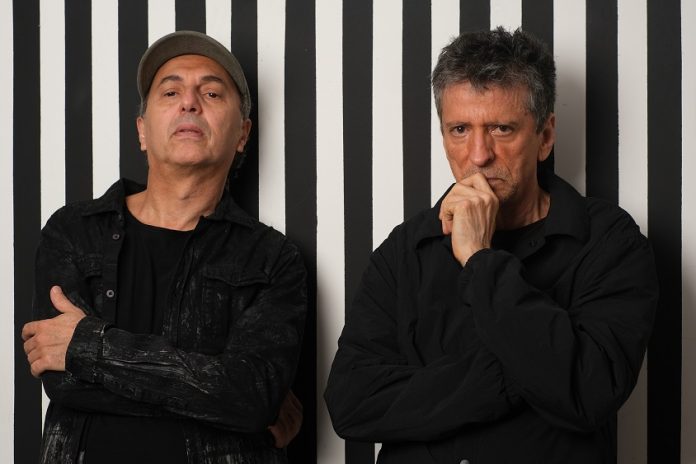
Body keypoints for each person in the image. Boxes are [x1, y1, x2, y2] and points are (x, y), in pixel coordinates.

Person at [325, 27, 658, 463]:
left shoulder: (609, 242)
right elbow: (351, 403)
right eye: (460, 129)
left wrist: (479, 257)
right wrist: (521, 371)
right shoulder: (405, 250)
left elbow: (587, 392)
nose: (479, 155)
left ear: (545, 136)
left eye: (501, 128)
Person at [22, 31, 307, 464]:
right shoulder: (74, 232)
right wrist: (226, 396)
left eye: (211, 93)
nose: (189, 102)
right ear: (142, 130)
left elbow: (251, 397)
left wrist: (89, 348)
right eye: (171, 92)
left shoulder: (272, 259)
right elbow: (63, 382)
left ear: (242, 134)